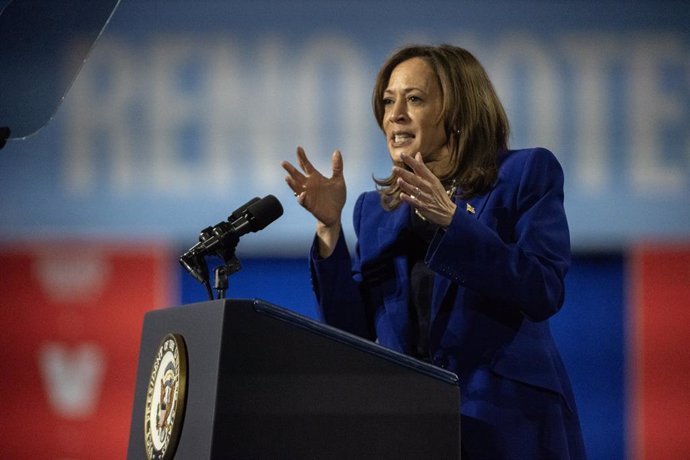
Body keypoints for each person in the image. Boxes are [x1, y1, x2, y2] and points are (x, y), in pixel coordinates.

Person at [281, 44, 586, 459]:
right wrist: (329, 228)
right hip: (412, 428)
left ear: (457, 112)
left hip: (508, 423)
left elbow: (543, 288)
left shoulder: (522, 175)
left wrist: (454, 223)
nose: (395, 114)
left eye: (415, 99)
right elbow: (351, 334)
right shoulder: (375, 211)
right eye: (388, 101)